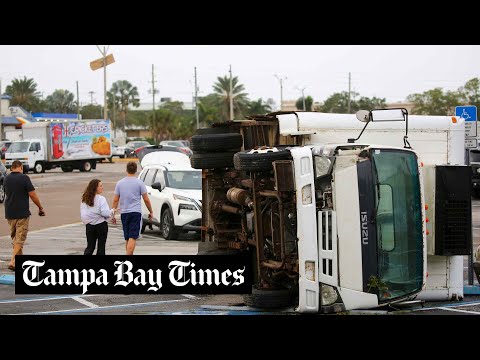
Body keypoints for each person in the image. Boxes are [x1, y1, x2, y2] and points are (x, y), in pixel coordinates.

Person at [4, 160, 45, 271]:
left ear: (12, 168)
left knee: (16, 238)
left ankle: (18, 262)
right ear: (20, 167)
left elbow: (6, 194)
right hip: (21, 213)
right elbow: (32, 194)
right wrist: (40, 207)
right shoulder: (24, 178)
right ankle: (12, 261)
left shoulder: (6, 178)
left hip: (9, 213)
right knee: (20, 239)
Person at [112, 161, 153, 255]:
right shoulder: (139, 183)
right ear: (135, 170)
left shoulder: (119, 183)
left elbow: (115, 200)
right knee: (133, 237)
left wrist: (113, 214)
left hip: (124, 213)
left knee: (127, 237)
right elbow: (146, 199)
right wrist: (151, 211)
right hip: (135, 213)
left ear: (126, 169)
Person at [80, 179, 115, 255]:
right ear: (95, 188)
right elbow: (105, 213)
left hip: (89, 226)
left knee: (90, 247)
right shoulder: (101, 199)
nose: (102, 187)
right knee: (101, 247)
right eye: (100, 186)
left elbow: (83, 213)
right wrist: (112, 211)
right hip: (101, 225)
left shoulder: (84, 199)